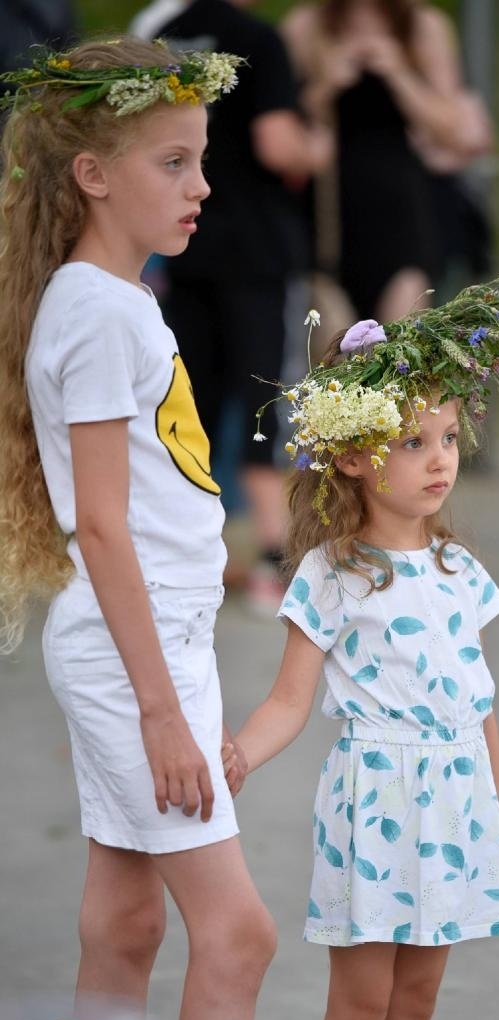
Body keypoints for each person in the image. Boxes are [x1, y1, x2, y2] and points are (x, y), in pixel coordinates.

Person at [226, 268, 499, 1020]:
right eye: (413, 441)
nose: (439, 457)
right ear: (348, 457)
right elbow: (291, 700)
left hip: (455, 807)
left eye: (447, 436)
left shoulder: (458, 569)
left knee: (416, 1005)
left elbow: (478, 706)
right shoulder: (334, 572)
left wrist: (495, 830)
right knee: (363, 1004)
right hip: (376, 801)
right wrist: (237, 753)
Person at [0, 38, 275, 1020]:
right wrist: (162, 709)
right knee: (239, 934)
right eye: (174, 162)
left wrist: (177, 688)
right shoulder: (102, 311)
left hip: (149, 639)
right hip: (132, 649)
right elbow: (104, 524)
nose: (201, 185)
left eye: (201, 160)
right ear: (93, 176)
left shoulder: (107, 298)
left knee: (121, 924)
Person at [131, 0, 333, 616]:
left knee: (185, 398)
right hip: (254, 250)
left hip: (181, 245)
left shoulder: (163, 36)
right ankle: (275, 558)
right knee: (265, 395)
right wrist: (317, 139)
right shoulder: (256, 40)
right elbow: (279, 146)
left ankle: (190, 557)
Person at [281, 0, 486, 333]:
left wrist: (400, 74)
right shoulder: (308, 25)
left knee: (401, 343)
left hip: (401, 212)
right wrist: (326, 86)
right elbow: (282, 124)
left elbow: (451, 129)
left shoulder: (422, 25)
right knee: (333, 349)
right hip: (329, 213)